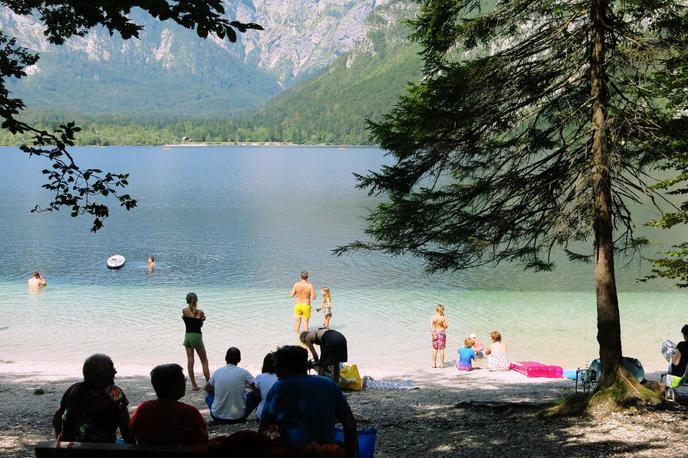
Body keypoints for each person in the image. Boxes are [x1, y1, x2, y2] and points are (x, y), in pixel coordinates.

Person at [258, 346, 357, 458]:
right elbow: (349, 423)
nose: (275, 372)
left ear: (286, 367)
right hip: (326, 452)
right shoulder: (328, 384)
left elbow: (263, 428)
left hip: (295, 452)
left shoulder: (279, 387)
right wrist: (351, 453)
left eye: (277, 366)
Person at [52, 354, 133, 443]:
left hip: (69, 451)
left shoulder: (74, 389)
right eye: (110, 369)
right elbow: (126, 430)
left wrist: (60, 442)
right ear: (100, 374)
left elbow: (57, 418)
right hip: (102, 451)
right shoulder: (115, 393)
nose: (115, 372)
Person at [130, 363, 207, 445]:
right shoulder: (189, 412)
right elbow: (203, 439)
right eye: (183, 380)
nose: (184, 383)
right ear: (175, 385)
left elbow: (130, 432)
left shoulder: (143, 409)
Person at [204, 347, 259, 424]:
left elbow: (207, 388)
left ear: (225, 358)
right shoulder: (244, 373)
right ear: (239, 360)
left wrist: (220, 391)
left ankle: (220, 409)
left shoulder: (218, 372)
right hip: (239, 417)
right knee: (254, 395)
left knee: (207, 395)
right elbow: (256, 389)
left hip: (217, 416)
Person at [182, 292, 210, 391]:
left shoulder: (185, 310)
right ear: (196, 300)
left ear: (187, 300)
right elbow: (195, 322)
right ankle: (209, 384)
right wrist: (200, 316)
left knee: (190, 360)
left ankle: (194, 385)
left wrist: (202, 320)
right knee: (204, 361)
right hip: (196, 336)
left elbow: (198, 324)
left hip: (188, 336)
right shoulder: (197, 312)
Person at [254, 353, 278, 421]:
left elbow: (256, 396)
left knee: (251, 394)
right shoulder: (281, 378)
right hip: (278, 414)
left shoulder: (259, 377)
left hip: (262, 413)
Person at [430, 304, 448, 368]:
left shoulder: (433, 317)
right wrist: (444, 320)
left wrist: (433, 334)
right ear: (442, 311)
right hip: (441, 333)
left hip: (435, 333)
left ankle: (434, 364)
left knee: (435, 349)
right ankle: (442, 364)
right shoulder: (443, 317)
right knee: (441, 349)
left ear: (436, 310)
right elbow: (446, 326)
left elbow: (430, 326)